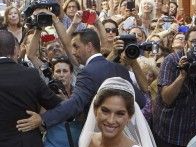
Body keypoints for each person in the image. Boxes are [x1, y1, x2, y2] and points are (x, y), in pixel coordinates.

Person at [17, 29, 146, 131]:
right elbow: (140, 101)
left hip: (100, 137)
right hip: (123, 135)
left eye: (76, 46)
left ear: (89, 46)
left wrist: (42, 118)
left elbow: (75, 103)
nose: (73, 52)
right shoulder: (120, 69)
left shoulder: (87, 72)